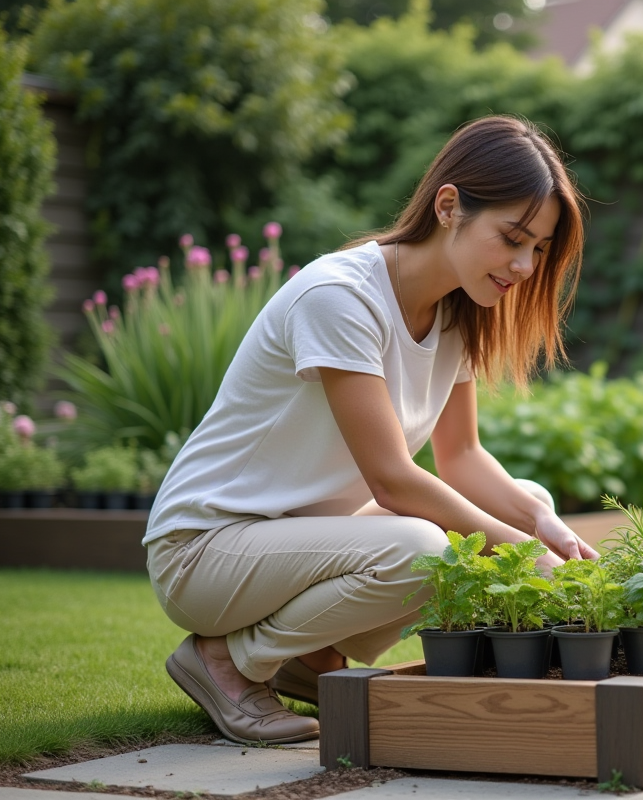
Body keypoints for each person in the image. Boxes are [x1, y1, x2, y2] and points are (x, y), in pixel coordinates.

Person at [145, 116, 600, 745]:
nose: (524, 265)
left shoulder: (458, 314)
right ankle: (227, 661)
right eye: (512, 238)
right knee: (425, 548)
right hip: (206, 548)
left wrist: (542, 527)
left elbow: (462, 456)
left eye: (539, 249)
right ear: (449, 207)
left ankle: (308, 660)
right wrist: (524, 556)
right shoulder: (340, 297)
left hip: (294, 543)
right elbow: (392, 479)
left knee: (522, 502)